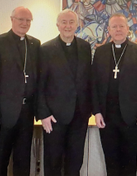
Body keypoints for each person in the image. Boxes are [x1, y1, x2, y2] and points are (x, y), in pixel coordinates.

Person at [92, 12, 137, 176]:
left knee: (129, 162)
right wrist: (96, 111)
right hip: (107, 116)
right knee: (110, 161)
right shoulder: (101, 52)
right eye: (114, 26)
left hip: (131, 117)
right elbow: (94, 84)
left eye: (121, 26)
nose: (118, 29)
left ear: (127, 29)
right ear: (108, 30)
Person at [0, 6, 40, 176]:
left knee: (23, 161)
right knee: (0, 160)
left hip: (27, 112)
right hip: (3, 114)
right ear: (12, 20)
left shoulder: (35, 44)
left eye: (28, 20)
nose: (24, 23)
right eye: (21, 19)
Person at [37, 9, 92, 176]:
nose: (68, 26)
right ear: (58, 25)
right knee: (53, 161)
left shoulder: (85, 47)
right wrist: (44, 114)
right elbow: (40, 84)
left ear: (77, 25)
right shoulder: (46, 49)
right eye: (64, 22)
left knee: (75, 161)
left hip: (79, 116)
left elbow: (88, 79)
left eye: (71, 22)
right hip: (55, 117)